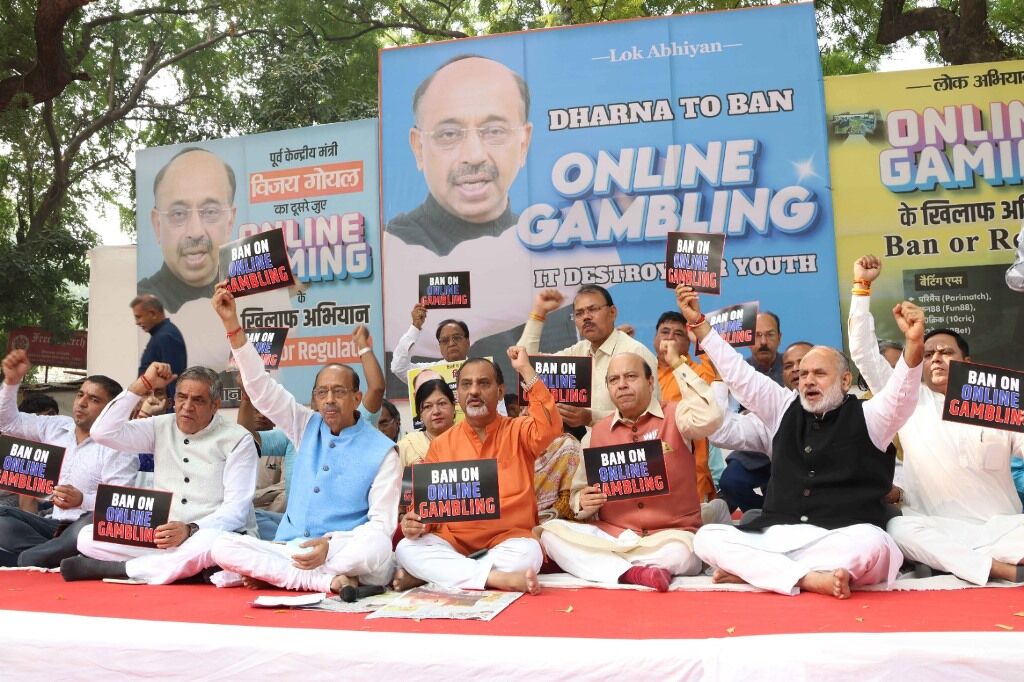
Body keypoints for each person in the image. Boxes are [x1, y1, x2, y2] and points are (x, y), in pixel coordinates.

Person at [677, 284, 926, 598]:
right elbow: (740, 375)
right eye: (804, 373)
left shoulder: (871, 416)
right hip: (779, 534)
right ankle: (807, 578)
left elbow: (901, 396)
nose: (808, 380)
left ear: (845, 380)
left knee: (876, 547)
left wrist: (914, 344)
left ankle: (762, 572)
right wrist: (701, 326)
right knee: (707, 539)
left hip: (842, 536)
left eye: (819, 373)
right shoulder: (783, 407)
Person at [207, 283, 399, 593]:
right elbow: (261, 389)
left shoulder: (383, 451)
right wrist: (232, 324)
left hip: (341, 551)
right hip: (292, 548)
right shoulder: (305, 425)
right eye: (322, 393)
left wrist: (330, 543)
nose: (329, 400)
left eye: (339, 392)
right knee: (221, 547)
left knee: (378, 548)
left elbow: (381, 526)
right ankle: (326, 582)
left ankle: (279, 575)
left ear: (356, 397)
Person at [849, 254, 1024, 585]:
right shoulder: (908, 400)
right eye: (928, 354)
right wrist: (862, 287)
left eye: (946, 352)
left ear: (967, 361)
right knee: (900, 527)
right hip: (941, 528)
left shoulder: (995, 400)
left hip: (1005, 527)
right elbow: (863, 353)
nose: (936, 359)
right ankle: (998, 569)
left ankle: (977, 562)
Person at [540, 351, 722, 591]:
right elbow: (578, 493)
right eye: (614, 380)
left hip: (669, 535)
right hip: (615, 535)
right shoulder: (596, 433)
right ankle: (634, 573)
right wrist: (582, 502)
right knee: (550, 534)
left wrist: (678, 364)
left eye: (630, 376)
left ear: (650, 382)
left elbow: (711, 416)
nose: (622, 385)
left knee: (683, 554)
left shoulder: (677, 416)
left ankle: (605, 567)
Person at [61, 363, 258, 583]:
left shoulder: (238, 439)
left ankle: (121, 570)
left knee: (214, 544)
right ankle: (186, 570)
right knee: (87, 537)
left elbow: (236, 510)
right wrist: (141, 385)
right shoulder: (160, 426)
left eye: (198, 400)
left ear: (215, 405)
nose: (187, 407)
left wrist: (190, 529)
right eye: (182, 398)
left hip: (210, 533)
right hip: (164, 537)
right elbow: (102, 433)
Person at [395, 350, 562, 594]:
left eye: (483, 383)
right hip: (453, 542)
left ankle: (439, 575)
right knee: (406, 548)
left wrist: (526, 370)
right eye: (466, 385)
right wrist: (416, 523)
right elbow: (425, 508)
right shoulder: (441, 444)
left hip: (507, 541)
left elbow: (550, 425)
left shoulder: (519, 431)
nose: (474, 391)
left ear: (500, 391)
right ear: (458, 395)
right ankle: (495, 578)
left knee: (529, 555)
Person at [0, 351, 137, 568]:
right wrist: (11, 382)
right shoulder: (56, 426)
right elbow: (7, 423)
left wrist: (82, 499)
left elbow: (117, 506)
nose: (81, 403)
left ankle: (31, 558)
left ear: (111, 409)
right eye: (80, 395)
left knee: (85, 528)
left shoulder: (120, 447)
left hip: (84, 528)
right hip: (52, 525)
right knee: (3, 521)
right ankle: (48, 557)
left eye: (93, 399)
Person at [387, 55, 533, 255]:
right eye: (449, 134)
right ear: (418, 148)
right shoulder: (395, 247)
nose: (474, 156)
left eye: (494, 131)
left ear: (523, 143)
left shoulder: (542, 239)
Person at [518, 285, 659, 430]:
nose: (586, 317)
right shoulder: (580, 351)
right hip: (589, 448)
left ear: (612, 312)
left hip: (632, 448)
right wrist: (539, 313)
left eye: (593, 309)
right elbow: (524, 361)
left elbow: (650, 415)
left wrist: (591, 417)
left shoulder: (636, 353)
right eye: (579, 313)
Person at [137, 148, 237, 312]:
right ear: (157, 225)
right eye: (178, 214)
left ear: (230, 221)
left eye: (210, 211)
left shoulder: (254, 294)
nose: (196, 232)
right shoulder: (139, 303)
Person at [718, 340, 812, 512]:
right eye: (789, 365)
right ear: (783, 375)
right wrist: (718, 381)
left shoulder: (852, 413)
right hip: (785, 509)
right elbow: (720, 432)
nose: (796, 369)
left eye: (804, 362)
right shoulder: (776, 408)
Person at [652, 311, 720, 506]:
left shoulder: (698, 371)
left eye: (678, 334)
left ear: (689, 343)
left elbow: (718, 373)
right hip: (649, 465)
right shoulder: (642, 371)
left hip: (691, 469)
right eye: (664, 332)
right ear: (655, 338)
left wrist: (698, 337)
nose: (670, 337)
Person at [389, 306, 471, 382]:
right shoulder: (430, 373)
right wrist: (415, 328)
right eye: (445, 340)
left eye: (456, 338)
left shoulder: (480, 368)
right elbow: (399, 368)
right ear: (440, 346)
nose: (451, 343)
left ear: (468, 342)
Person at [131, 294, 187, 405]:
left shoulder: (165, 337)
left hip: (161, 411)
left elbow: (172, 379)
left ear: (153, 314)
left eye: (138, 317)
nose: (136, 322)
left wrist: (172, 411)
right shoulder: (161, 335)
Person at [397, 379, 457, 469]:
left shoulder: (469, 439)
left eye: (442, 403)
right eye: (428, 406)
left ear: (453, 406)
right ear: (420, 414)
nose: (436, 411)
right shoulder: (407, 446)